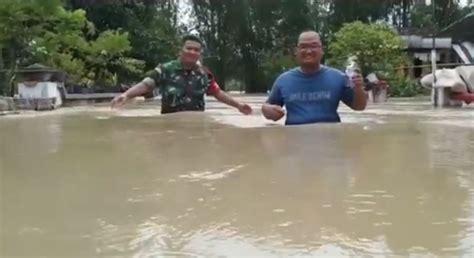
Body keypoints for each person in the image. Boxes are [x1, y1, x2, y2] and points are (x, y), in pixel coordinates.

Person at [111, 35, 252, 115]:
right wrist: (126, 95)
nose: (192, 52)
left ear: (200, 53)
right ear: (181, 50)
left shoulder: (204, 73)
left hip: (196, 126)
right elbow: (146, 85)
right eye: (189, 48)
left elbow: (217, 93)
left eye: (196, 50)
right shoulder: (165, 69)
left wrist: (238, 105)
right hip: (169, 125)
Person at [261, 31, 367, 125]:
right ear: (296, 51)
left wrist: (358, 89)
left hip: (330, 139)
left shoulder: (338, 77)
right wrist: (267, 110)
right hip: (294, 141)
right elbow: (268, 107)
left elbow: (359, 107)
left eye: (313, 46)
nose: (308, 51)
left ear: (322, 50)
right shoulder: (283, 80)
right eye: (303, 47)